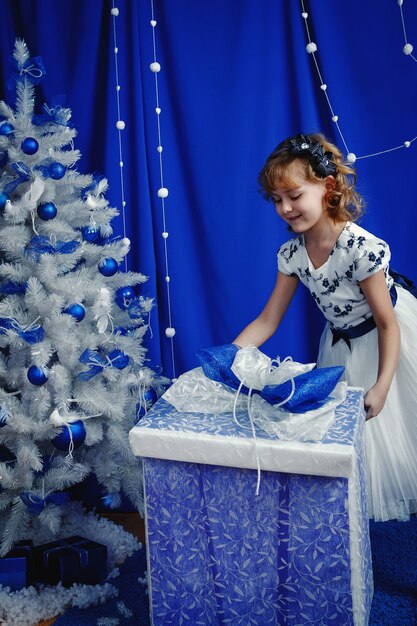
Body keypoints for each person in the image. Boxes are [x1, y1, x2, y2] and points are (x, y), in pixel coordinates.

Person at [233, 132, 417, 522]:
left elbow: (386, 323)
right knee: (355, 450)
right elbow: (268, 320)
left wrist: (382, 385)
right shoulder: (292, 254)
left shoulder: (360, 248)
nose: (285, 208)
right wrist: (230, 357)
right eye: (277, 200)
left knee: (402, 443)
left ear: (327, 187)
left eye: (294, 196)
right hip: (342, 345)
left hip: (388, 343)